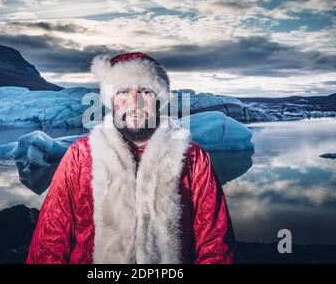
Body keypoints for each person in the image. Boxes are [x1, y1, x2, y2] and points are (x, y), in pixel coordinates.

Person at [26, 52, 235, 264]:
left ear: (159, 100)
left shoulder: (192, 157)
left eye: (146, 92)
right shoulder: (81, 155)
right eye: (123, 92)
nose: (135, 103)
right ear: (111, 100)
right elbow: (51, 238)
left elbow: (214, 242)